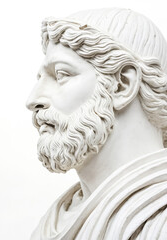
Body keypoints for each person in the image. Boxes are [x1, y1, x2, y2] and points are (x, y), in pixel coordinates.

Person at [26, 8, 167, 240]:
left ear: (122, 85)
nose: (33, 100)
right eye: (40, 79)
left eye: (61, 74)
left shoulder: (158, 223)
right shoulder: (54, 222)